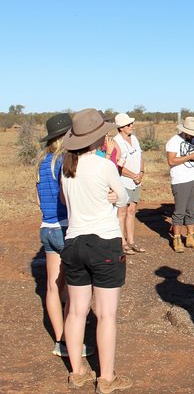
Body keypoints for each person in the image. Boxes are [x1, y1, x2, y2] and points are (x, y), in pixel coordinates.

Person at [60, 108, 133, 392]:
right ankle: (106, 378)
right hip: (104, 241)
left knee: (76, 311)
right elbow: (123, 197)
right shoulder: (104, 166)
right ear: (99, 137)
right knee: (106, 315)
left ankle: (77, 371)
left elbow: (69, 206)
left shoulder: (68, 169)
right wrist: (116, 197)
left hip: (74, 242)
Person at [35, 113, 84, 357]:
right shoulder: (65, 160)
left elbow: (38, 199)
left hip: (47, 227)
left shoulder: (41, 162)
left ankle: (61, 340)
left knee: (53, 287)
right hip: (66, 227)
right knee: (74, 288)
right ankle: (74, 340)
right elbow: (66, 197)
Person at [166, 116, 194, 253]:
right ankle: (176, 238)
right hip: (180, 180)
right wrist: (190, 157)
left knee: (192, 210)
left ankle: (190, 237)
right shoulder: (174, 141)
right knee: (180, 211)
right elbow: (171, 161)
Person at [113, 113, 145, 254]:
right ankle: (122, 242)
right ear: (121, 128)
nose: (131, 126)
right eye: (128, 125)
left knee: (132, 210)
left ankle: (131, 241)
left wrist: (141, 173)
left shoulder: (135, 139)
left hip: (136, 181)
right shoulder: (116, 141)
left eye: (131, 124)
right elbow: (117, 165)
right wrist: (133, 175)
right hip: (123, 181)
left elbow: (140, 157)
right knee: (122, 211)